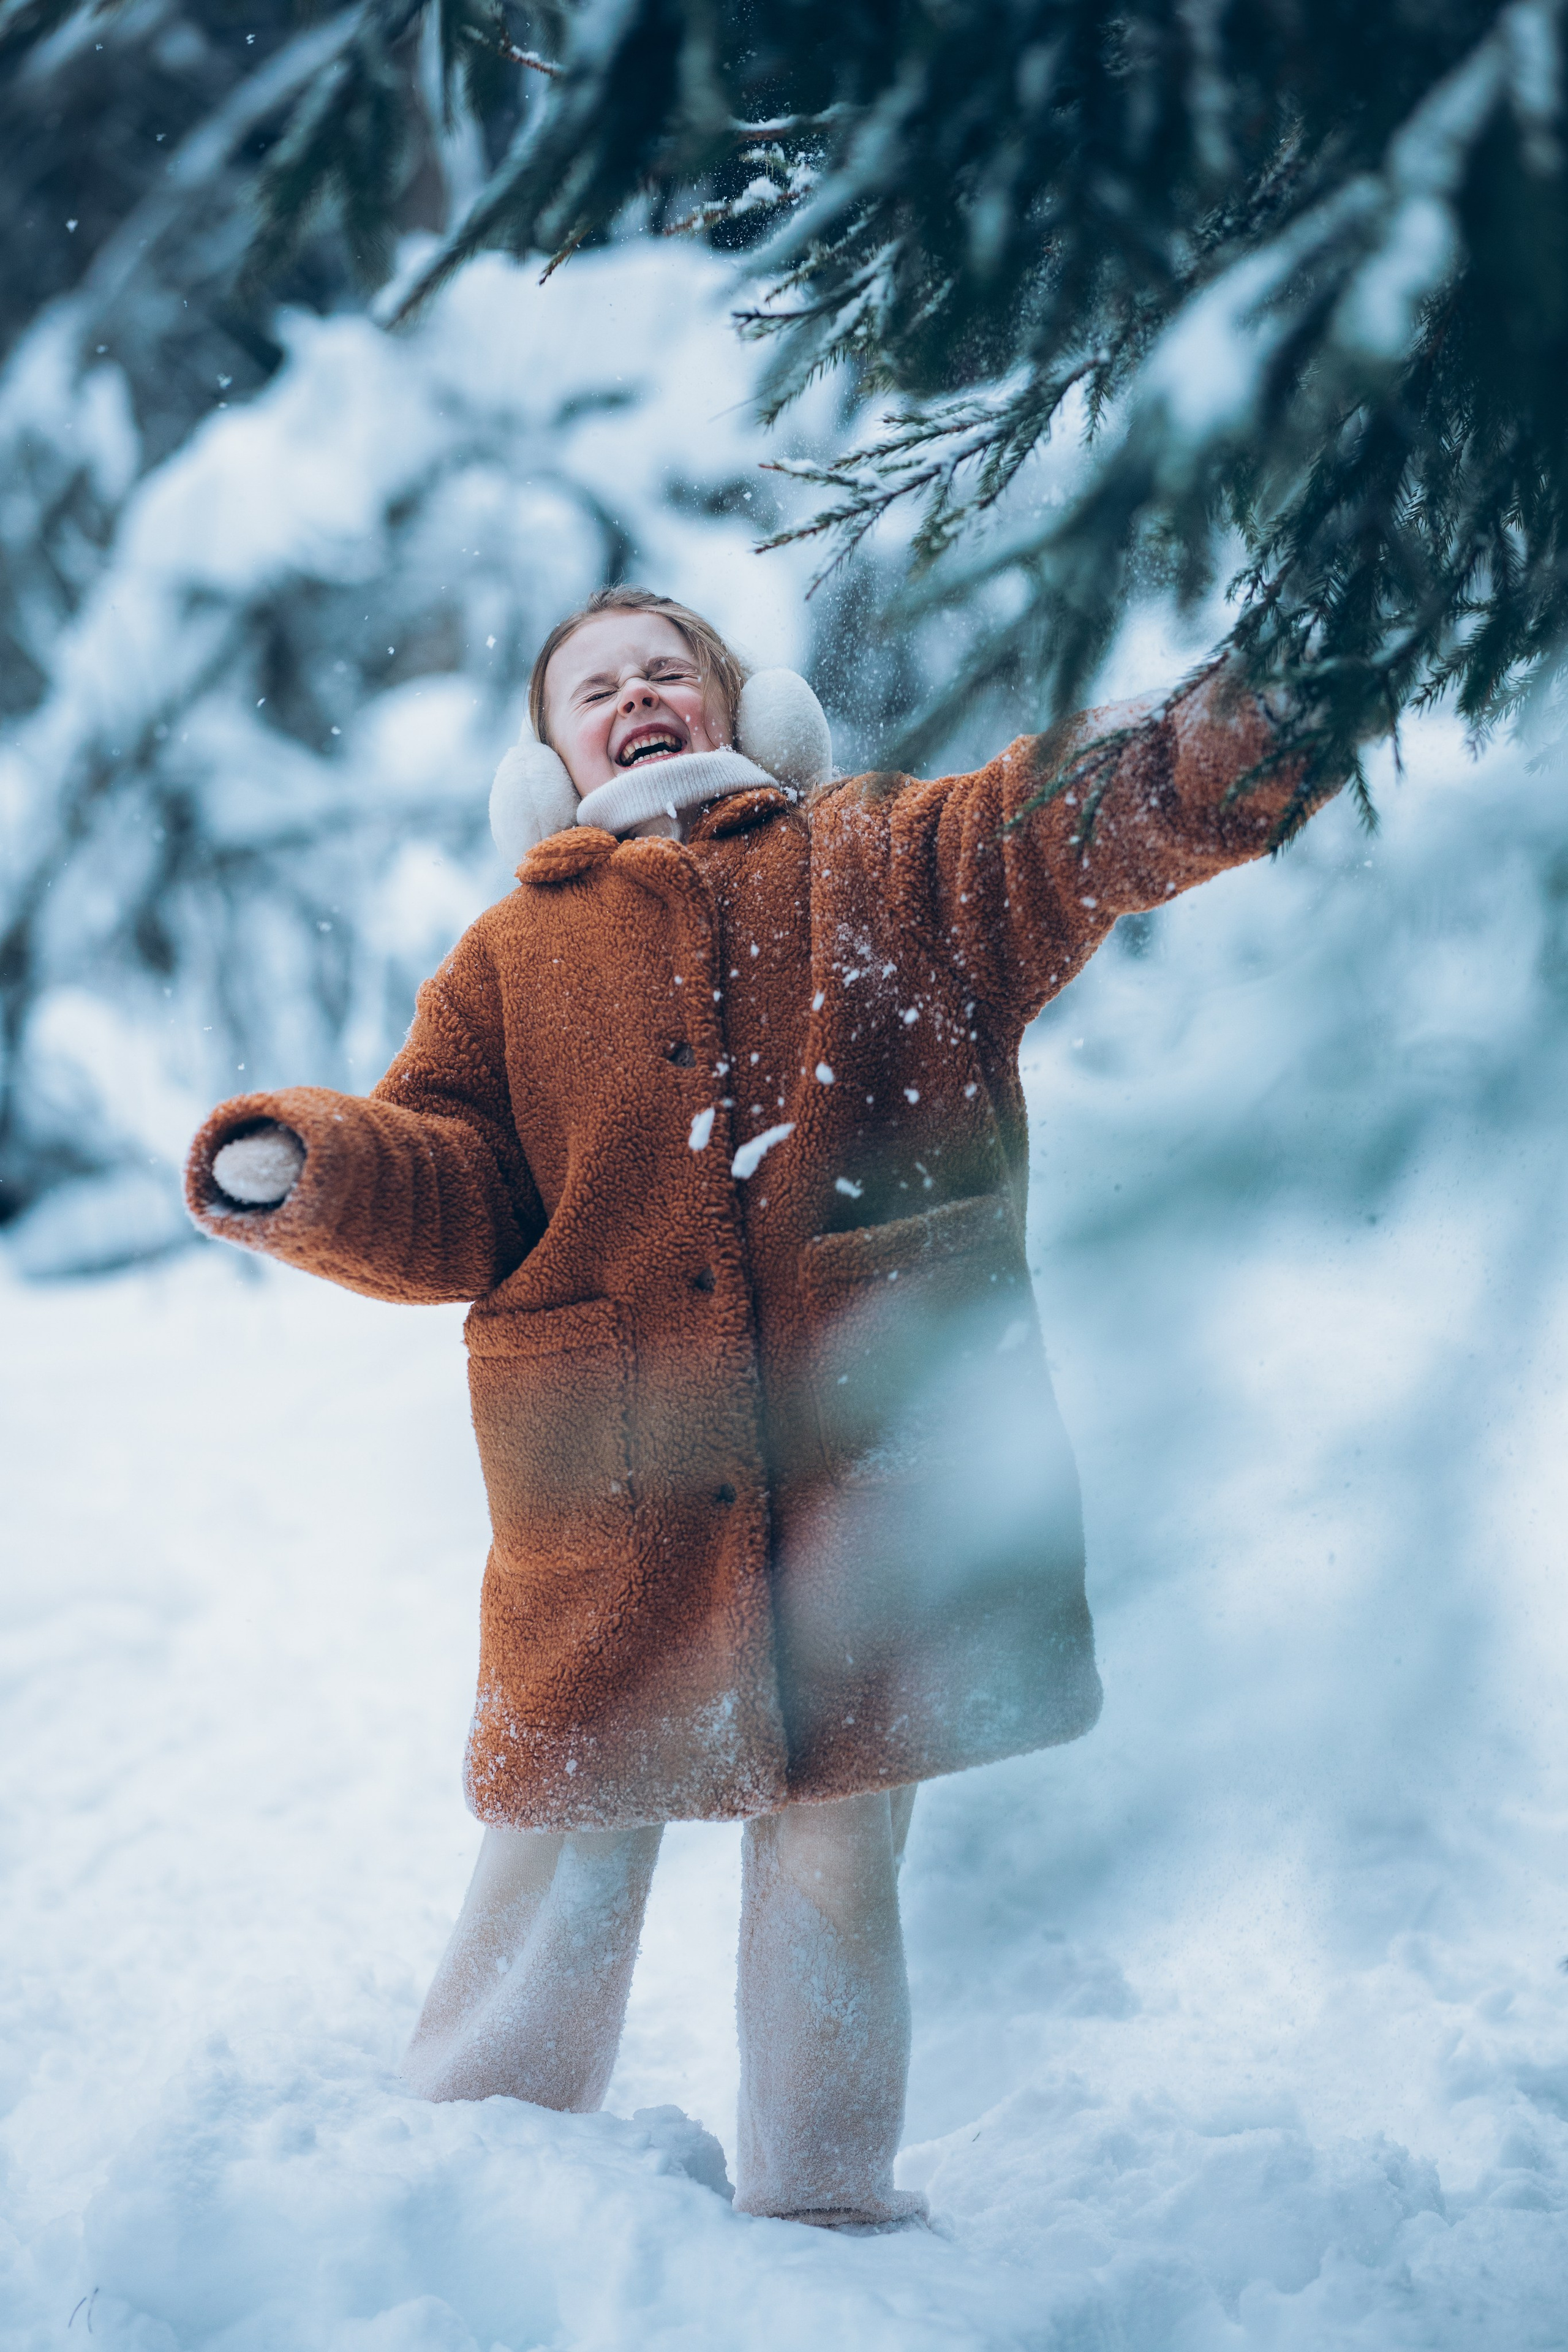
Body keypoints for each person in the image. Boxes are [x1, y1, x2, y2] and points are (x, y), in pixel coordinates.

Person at [185, 586, 1335, 2230]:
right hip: (614, 1489)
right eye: (597, 687)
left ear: (743, 710)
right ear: (551, 758)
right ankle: (469, 2156)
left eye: (671, 671)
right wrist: (309, 1161)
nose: (637, 695)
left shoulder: (878, 866)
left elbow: (1061, 825)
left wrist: (1240, 727)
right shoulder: (510, 964)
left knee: (838, 1850)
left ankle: (823, 2198)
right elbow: (446, 1178)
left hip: (865, 1470)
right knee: (567, 1823)